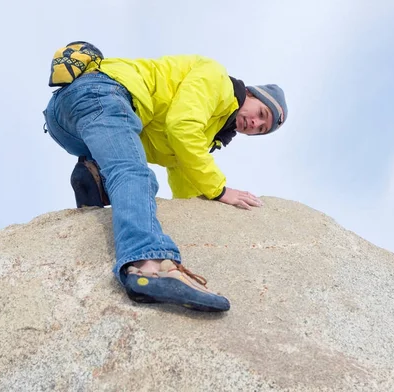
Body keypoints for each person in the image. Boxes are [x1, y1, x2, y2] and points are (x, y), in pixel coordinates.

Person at [43, 43, 288, 312]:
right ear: (251, 94)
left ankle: (94, 173)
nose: (254, 124)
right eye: (260, 114)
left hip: (66, 121)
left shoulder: (210, 130)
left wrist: (196, 207)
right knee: (134, 174)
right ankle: (148, 267)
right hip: (100, 93)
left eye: (261, 129)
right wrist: (220, 190)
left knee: (123, 164)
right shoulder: (217, 80)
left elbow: (182, 164)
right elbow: (181, 129)